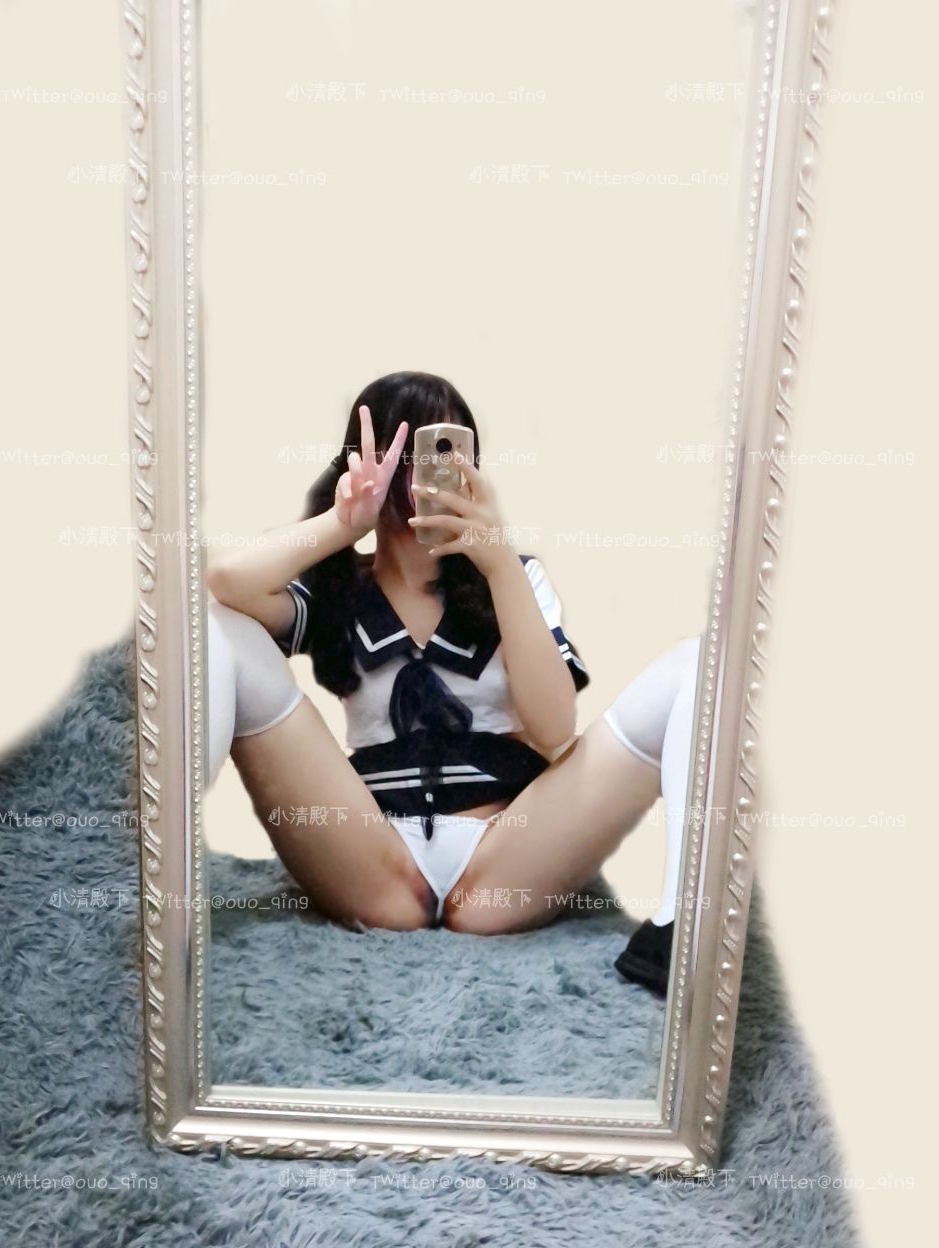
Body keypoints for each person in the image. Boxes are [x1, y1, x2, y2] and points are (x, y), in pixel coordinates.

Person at [206, 372, 699, 995]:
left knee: (694, 664)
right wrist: (341, 524)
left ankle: (678, 927)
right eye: (407, 451)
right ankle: (162, 860)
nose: (426, 476)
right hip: (375, 861)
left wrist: (498, 562)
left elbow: (554, 728)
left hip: (502, 862)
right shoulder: (338, 588)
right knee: (216, 628)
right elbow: (226, 583)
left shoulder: (513, 579)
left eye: (446, 450)